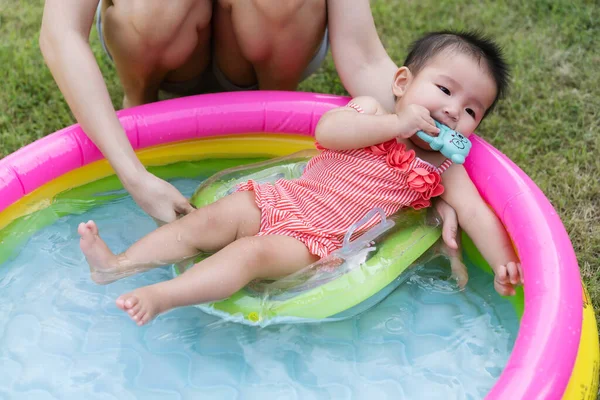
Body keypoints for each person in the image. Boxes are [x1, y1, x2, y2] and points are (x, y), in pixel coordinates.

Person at [78, 31, 523, 326]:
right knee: (205, 222)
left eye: (471, 110)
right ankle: (117, 265)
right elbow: (328, 132)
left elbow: (477, 214)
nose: (452, 111)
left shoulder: (445, 169)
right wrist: (395, 126)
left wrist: (505, 260)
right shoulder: (371, 111)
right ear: (403, 82)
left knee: (250, 255)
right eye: (445, 90)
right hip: (284, 197)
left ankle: (164, 296)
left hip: (317, 239)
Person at [39, 0, 461, 249]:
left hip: (268, 41)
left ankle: (271, 125)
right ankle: (140, 108)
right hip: (156, 40)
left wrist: (428, 159)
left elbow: (366, 58)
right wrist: (133, 176)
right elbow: (60, 34)